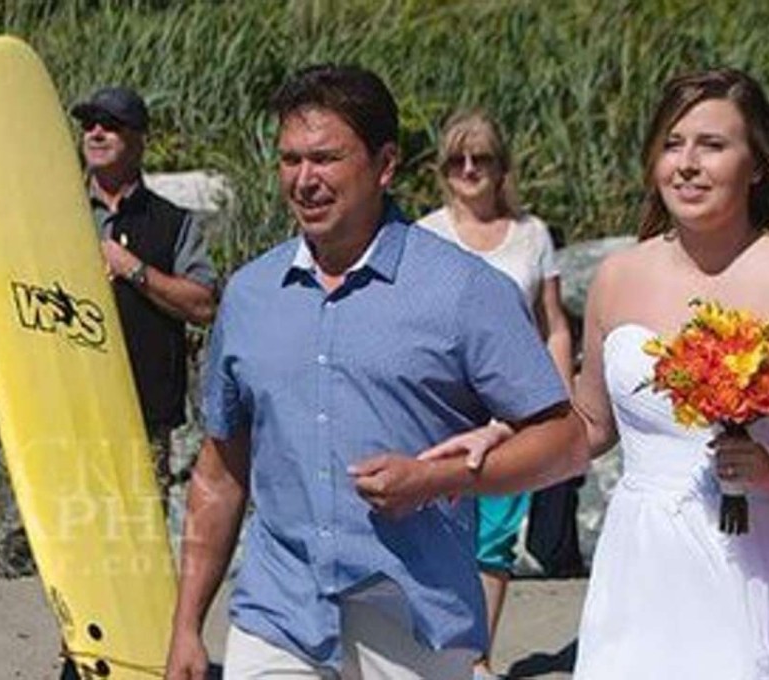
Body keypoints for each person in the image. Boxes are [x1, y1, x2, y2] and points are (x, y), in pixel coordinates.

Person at [164, 64, 587, 680]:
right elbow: (219, 473)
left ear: (385, 164)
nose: (303, 180)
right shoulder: (250, 296)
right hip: (278, 618)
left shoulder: (464, 290)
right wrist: (185, 628)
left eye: (326, 158)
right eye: (290, 160)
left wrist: (435, 478)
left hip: (416, 620)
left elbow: (566, 443)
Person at [570, 67, 769, 678]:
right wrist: (499, 440)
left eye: (712, 145)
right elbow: (589, 426)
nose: (686, 163)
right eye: (672, 144)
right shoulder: (617, 276)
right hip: (642, 564)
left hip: (753, 557)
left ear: (757, 164)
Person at [417, 109, 574, 679]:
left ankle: (480, 658)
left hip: (513, 408)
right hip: (444, 407)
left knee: (496, 538)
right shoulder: (425, 233)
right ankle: (439, 654)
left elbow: (553, 324)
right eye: (457, 158)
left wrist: (559, 403)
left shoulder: (533, 236)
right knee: (439, 528)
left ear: (500, 166)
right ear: (442, 168)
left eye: (480, 158)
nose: (468, 169)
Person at [69, 85, 216, 510]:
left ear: (139, 139)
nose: (96, 133)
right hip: (71, 407)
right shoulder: (60, 213)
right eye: (88, 125)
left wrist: (132, 269)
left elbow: (203, 304)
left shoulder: (173, 221)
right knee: (75, 528)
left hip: (146, 409)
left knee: (140, 533)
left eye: (111, 125)